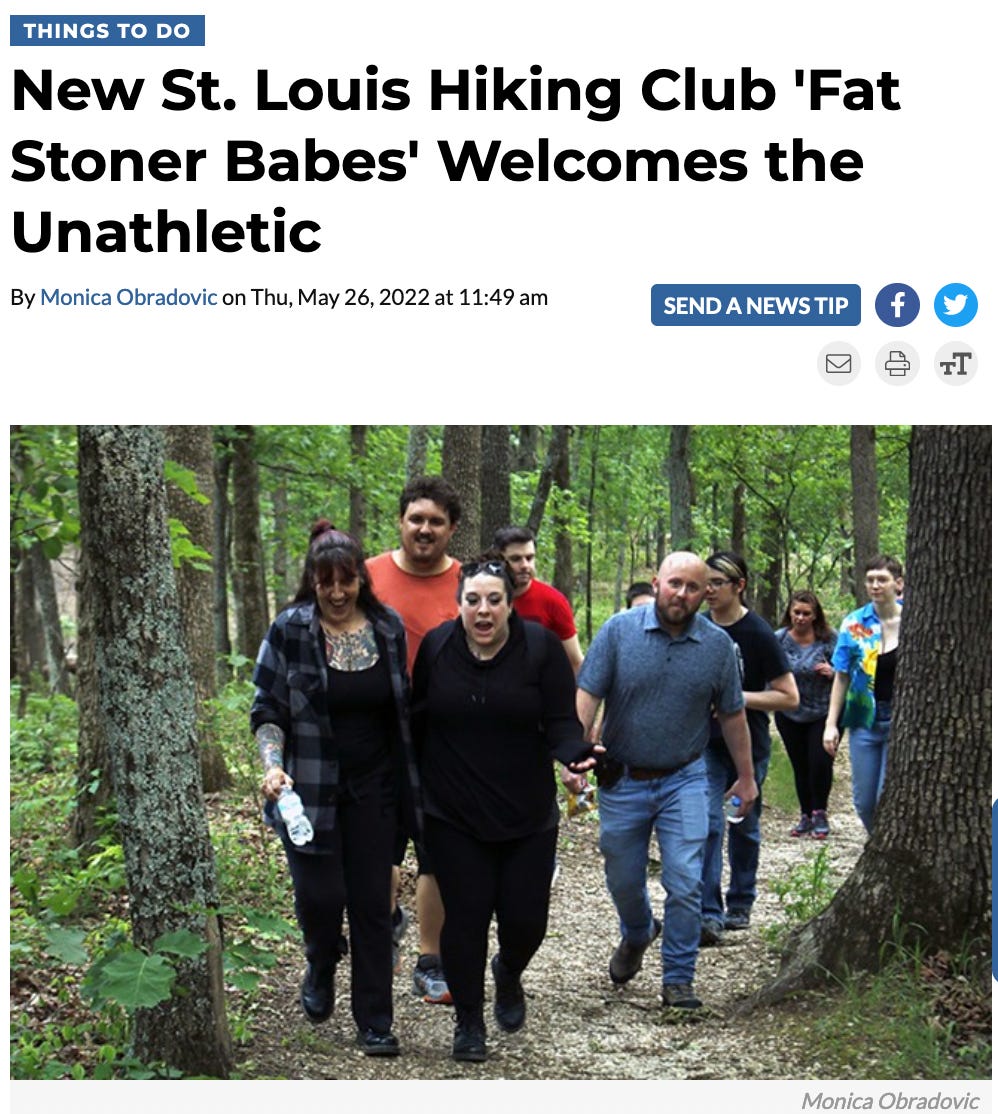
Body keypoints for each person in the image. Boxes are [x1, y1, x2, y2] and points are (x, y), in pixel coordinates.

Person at [413, 556, 595, 1062]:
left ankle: (509, 971)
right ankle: (468, 1019)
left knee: (526, 921)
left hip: (527, 814)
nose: (484, 609)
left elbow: (561, 721)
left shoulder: (538, 648)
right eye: (473, 600)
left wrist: (575, 752)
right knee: (465, 920)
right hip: (454, 813)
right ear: (459, 605)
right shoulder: (436, 648)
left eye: (494, 599)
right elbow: (418, 722)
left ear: (510, 604)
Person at [250, 522, 419, 1057]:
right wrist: (272, 766)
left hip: (376, 789)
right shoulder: (290, 630)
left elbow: (404, 713)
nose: (338, 592)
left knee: (372, 906)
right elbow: (266, 710)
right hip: (310, 793)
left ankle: (375, 1021)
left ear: (361, 580)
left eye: (347, 581)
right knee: (321, 899)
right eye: (327, 582)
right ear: (313, 581)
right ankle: (321, 960)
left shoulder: (389, 629)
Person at [576, 551, 757, 1011]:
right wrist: (573, 758)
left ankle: (678, 980)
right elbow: (588, 696)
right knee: (622, 875)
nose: (682, 594)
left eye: (693, 587)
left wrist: (746, 777)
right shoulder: (619, 632)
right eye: (675, 584)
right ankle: (637, 931)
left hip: (687, 777)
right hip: (623, 776)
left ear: (706, 593)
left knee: (686, 879)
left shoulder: (716, 646)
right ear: (657, 583)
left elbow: (734, 715)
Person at [367, 475, 462, 1004]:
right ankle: (386, 927)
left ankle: (431, 959)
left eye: (435, 522)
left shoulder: (469, 583)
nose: (424, 530)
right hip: (375, 733)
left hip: (442, 738)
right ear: (401, 522)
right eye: (416, 519)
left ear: (451, 530)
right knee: (379, 848)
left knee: (435, 850)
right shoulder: (367, 575)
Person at [700, 552, 798, 945]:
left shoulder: (758, 634)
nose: (707, 591)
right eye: (703, 583)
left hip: (749, 746)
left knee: (743, 826)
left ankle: (740, 902)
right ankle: (708, 911)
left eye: (715, 583)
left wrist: (735, 698)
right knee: (707, 823)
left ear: (738, 586)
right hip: (704, 744)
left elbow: (789, 697)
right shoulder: (698, 627)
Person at [823, 554, 904, 833]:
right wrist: (831, 724)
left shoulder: (915, 622)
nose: (875, 585)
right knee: (864, 800)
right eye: (870, 580)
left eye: (882, 579)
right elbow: (841, 676)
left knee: (887, 797)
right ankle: (877, 847)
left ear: (899, 584)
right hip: (863, 721)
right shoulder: (853, 623)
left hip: (902, 720)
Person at [773, 591, 838, 839]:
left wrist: (831, 672)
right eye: (797, 612)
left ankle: (820, 811)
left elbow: (846, 671)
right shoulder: (778, 639)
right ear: (790, 613)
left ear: (815, 615)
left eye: (806, 613)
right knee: (800, 764)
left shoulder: (829, 639)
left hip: (823, 710)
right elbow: (767, 668)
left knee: (819, 762)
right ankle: (805, 814)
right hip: (789, 712)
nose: (801, 618)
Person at [492, 525, 584, 674]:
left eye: (529, 558)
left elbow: (575, 661)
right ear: (498, 559)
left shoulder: (553, 601)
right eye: (515, 559)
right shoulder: (483, 598)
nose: (525, 565)